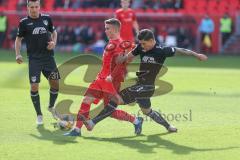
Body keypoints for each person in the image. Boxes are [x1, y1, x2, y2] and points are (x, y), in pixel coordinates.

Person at [79, 29, 208, 134]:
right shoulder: (141, 48)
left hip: (147, 87)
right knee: (147, 111)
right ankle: (168, 127)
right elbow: (128, 57)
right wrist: (121, 59)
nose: (141, 46)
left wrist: (197, 55)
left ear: (152, 41)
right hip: (139, 85)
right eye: (140, 43)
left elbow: (181, 50)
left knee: (115, 99)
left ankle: (92, 123)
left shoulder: (162, 50)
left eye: (144, 43)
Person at [64, 18, 143, 137]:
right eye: (105, 28)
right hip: (101, 78)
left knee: (110, 111)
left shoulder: (118, 44)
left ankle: (136, 121)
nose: (105, 31)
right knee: (86, 100)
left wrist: (111, 76)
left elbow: (120, 64)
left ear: (115, 29)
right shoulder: (112, 42)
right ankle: (77, 130)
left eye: (107, 28)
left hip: (110, 81)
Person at [15, 0, 60, 125]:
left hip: (49, 58)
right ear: (27, 8)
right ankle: (39, 114)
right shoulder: (24, 23)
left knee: (55, 83)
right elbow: (18, 40)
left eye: (36, 7)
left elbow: (54, 32)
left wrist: (53, 43)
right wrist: (18, 54)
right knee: (34, 86)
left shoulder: (47, 19)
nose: (34, 9)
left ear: (39, 7)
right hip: (34, 59)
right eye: (31, 7)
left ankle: (51, 107)